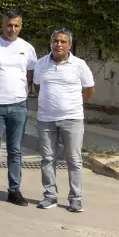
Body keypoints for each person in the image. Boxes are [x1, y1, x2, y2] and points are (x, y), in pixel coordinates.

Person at [35, 29, 95, 212]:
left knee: (74, 160)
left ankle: (75, 198)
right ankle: (50, 196)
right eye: (55, 41)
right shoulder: (41, 64)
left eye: (63, 41)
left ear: (70, 45)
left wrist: (74, 104)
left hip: (72, 119)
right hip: (46, 119)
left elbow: (89, 89)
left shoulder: (79, 65)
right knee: (47, 159)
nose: (58, 44)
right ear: (51, 43)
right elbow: (38, 86)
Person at [0, 10, 36, 206]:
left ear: (20, 26)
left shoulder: (27, 48)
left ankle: (14, 190)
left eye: (16, 25)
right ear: (2, 24)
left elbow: (29, 76)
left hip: (18, 106)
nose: (12, 29)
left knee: (15, 151)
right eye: (9, 25)